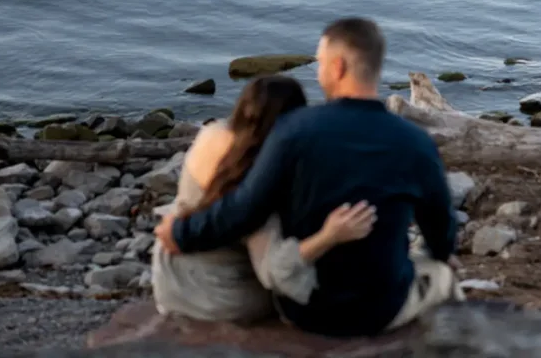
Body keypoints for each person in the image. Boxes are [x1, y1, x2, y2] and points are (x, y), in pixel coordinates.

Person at [156, 19, 460, 337]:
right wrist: (439, 255)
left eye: (320, 63)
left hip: (305, 308)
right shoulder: (416, 142)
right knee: (439, 271)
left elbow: (244, 209)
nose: (318, 73)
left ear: (338, 66)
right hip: (381, 310)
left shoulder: (294, 132)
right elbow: (440, 231)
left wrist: (182, 232)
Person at [152, 73, 376, 321]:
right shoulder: (256, 181)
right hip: (220, 296)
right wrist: (330, 235)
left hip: (169, 272)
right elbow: (274, 272)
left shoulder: (211, 133)